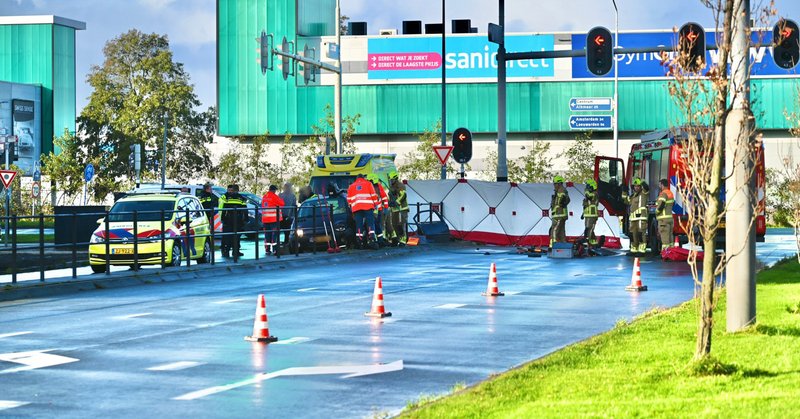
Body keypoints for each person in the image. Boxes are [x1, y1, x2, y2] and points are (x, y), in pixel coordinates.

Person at [347, 174, 380, 249]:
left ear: (357, 178)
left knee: (359, 225)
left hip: (357, 208)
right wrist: (375, 205)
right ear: (363, 178)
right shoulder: (368, 184)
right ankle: (371, 239)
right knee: (370, 223)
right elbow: (373, 195)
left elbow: (348, 199)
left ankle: (359, 241)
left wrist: (351, 207)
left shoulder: (351, 186)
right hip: (368, 207)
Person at [219, 184, 247, 258]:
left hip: (229, 219)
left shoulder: (227, 198)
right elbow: (245, 209)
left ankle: (227, 251)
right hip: (238, 219)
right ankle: (235, 252)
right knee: (236, 236)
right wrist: (246, 219)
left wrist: (222, 218)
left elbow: (224, 209)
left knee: (229, 236)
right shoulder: (241, 198)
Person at [627, 177, 649, 256]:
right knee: (633, 234)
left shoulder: (644, 193)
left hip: (641, 217)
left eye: (638, 186)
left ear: (640, 187)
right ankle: (634, 249)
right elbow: (627, 202)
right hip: (633, 218)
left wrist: (642, 182)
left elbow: (646, 187)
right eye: (635, 186)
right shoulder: (633, 196)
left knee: (641, 234)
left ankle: (642, 250)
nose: (636, 187)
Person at [261, 184, 285, 255]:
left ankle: (267, 250)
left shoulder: (264, 197)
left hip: (265, 220)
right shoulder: (274, 196)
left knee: (267, 235)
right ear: (274, 190)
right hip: (274, 219)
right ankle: (275, 250)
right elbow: (282, 203)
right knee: (274, 235)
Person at [368, 174, 390, 247]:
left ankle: (379, 240)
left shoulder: (377, 187)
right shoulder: (372, 187)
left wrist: (386, 207)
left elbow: (384, 197)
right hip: (374, 210)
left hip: (377, 210)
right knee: (375, 225)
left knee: (378, 225)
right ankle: (378, 240)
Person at [549, 175, 570, 247]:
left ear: (559, 183)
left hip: (559, 215)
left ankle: (553, 245)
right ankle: (563, 246)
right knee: (561, 232)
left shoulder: (562, 190)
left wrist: (564, 201)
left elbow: (566, 199)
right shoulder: (557, 191)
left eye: (555, 184)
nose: (554, 185)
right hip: (558, 215)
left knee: (554, 231)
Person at [389, 171, 408, 246]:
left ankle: (403, 240)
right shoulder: (391, 187)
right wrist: (389, 202)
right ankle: (397, 239)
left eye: (392, 180)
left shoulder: (401, 185)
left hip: (402, 208)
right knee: (394, 224)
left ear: (396, 178)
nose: (391, 181)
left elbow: (403, 195)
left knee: (401, 224)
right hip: (394, 209)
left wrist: (396, 202)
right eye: (390, 180)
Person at [656, 178, 675, 251]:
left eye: (659, 185)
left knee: (664, 237)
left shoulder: (663, 194)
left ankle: (665, 252)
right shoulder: (670, 193)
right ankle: (671, 252)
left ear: (662, 185)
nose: (659, 186)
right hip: (670, 218)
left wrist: (656, 212)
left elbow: (661, 205)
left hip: (663, 220)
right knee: (670, 237)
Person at [582, 179, 599, 248]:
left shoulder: (595, 194)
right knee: (588, 229)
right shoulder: (588, 195)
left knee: (589, 229)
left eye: (588, 186)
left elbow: (589, 196)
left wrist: (586, 191)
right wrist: (583, 214)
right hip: (587, 215)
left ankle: (587, 242)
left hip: (592, 215)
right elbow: (586, 206)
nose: (587, 187)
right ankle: (594, 243)